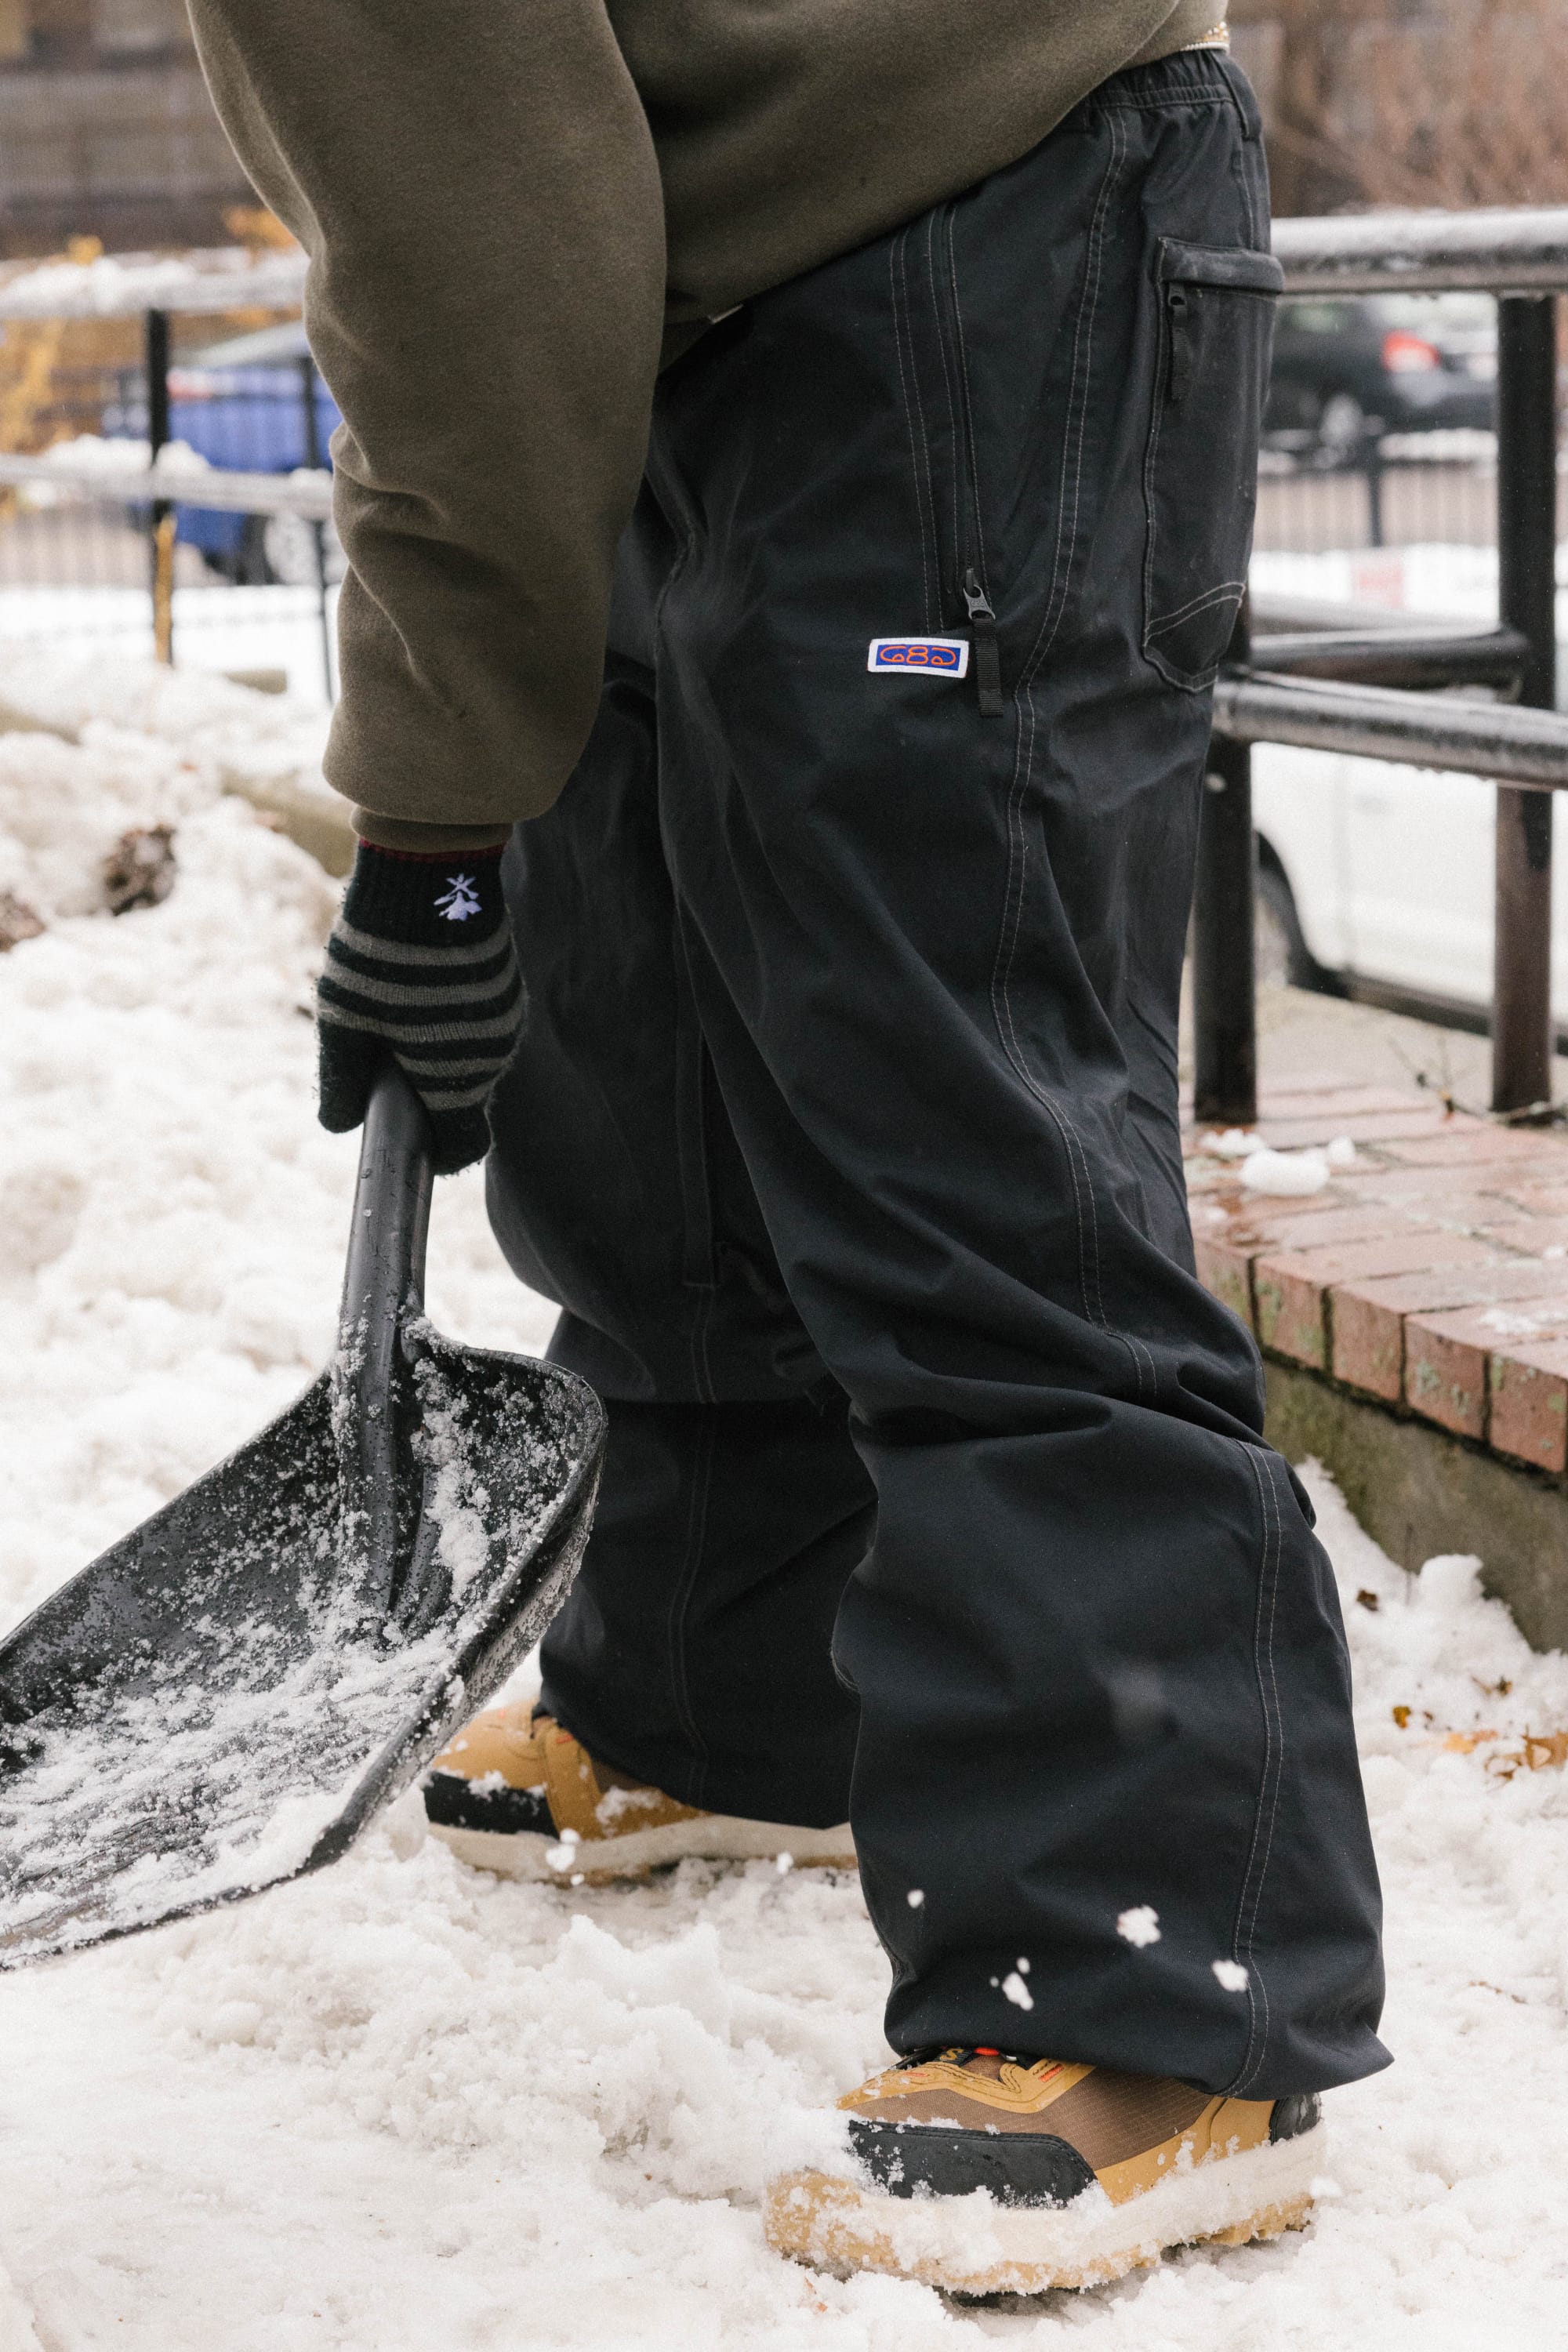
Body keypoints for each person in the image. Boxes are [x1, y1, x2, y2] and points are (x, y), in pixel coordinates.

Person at [190, 0, 1388, 2295]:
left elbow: (477, 276)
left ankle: (1155, 1989)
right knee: (635, 1023)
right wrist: (483, 828)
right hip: (719, 277)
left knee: (956, 1088)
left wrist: (430, 833)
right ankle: (734, 1695)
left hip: (979, 208)